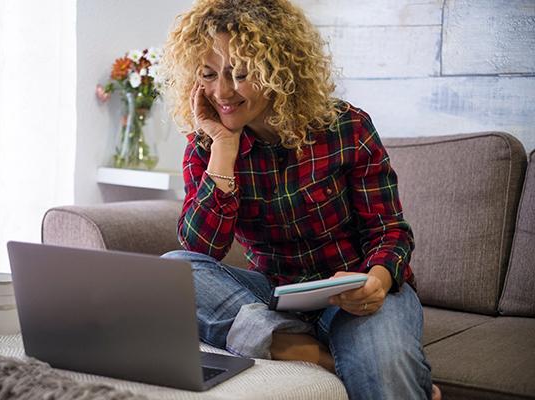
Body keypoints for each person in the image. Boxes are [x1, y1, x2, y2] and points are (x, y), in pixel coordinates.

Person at [159, 0, 439, 399]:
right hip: (278, 299)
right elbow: (201, 249)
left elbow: (389, 232)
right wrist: (224, 146)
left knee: (384, 363)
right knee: (176, 271)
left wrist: (377, 281)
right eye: (208, 74)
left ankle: (310, 351)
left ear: (278, 71)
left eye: (240, 74)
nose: (222, 91)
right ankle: (314, 354)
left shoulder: (346, 127)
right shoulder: (207, 145)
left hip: (353, 293)